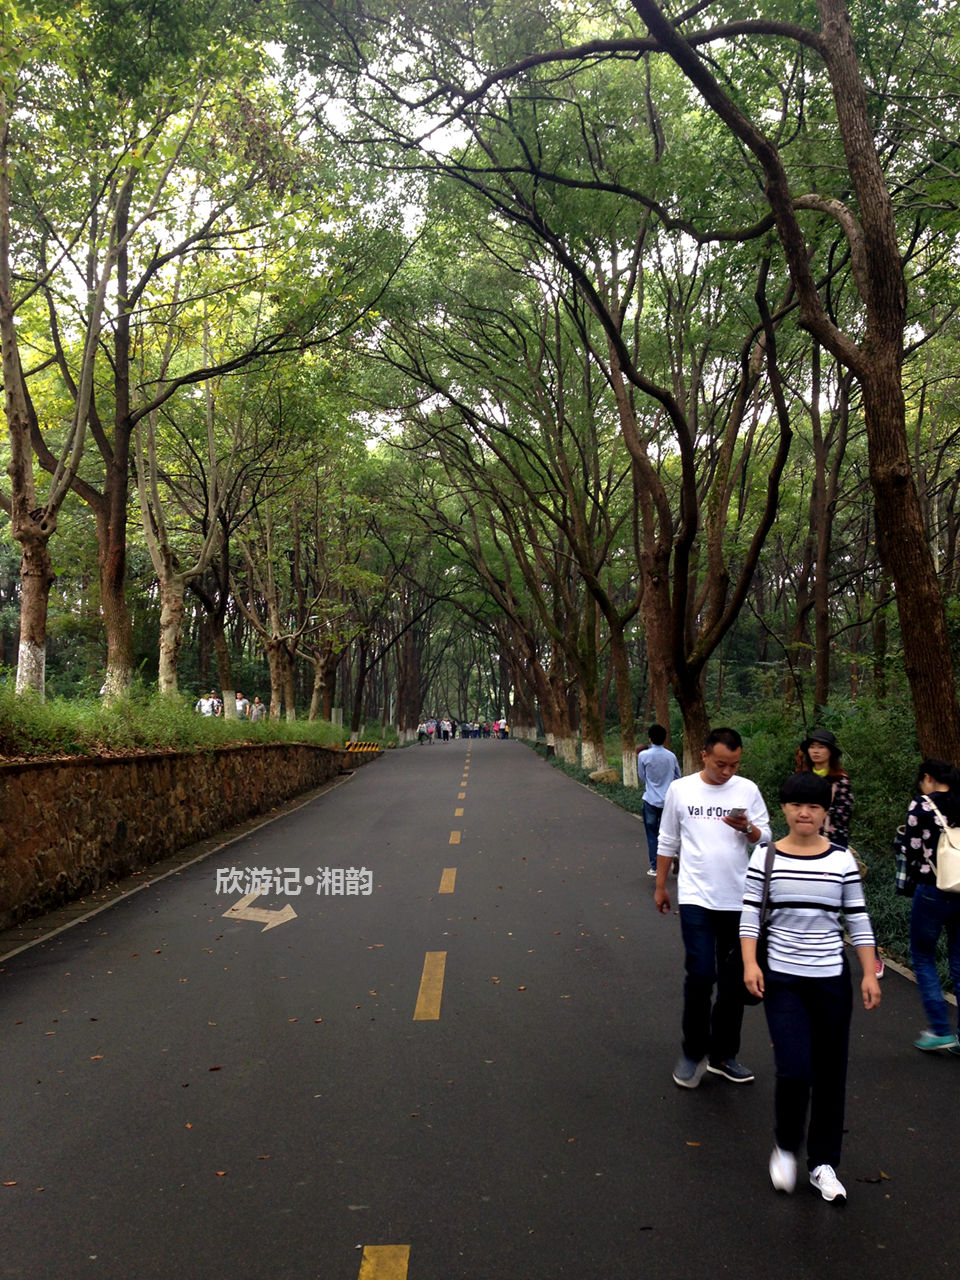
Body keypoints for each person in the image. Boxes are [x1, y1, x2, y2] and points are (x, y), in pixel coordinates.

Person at [741, 772, 881, 1202]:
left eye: (815, 807)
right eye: (797, 805)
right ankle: (785, 1146)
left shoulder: (841, 859)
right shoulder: (765, 857)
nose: (805, 813)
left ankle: (823, 1163)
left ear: (825, 813)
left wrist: (869, 972)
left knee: (830, 1073)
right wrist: (749, 963)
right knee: (795, 1069)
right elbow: (748, 916)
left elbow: (855, 918)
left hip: (831, 982)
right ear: (783, 808)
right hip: (783, 980)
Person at [655, 727, 771, 1089]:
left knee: (733, 983)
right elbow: (668, 837)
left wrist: (748, 828)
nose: (728, 772)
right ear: (703, 755)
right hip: (696, 897)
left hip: (739, 899)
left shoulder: (747, 790)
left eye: (734, 765)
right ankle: (693, 1053)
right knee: (702, 975)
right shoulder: (681, 789)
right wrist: (660, 885)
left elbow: (766, 839)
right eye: (721, 764)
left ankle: (723, 1056)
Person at [796, 729, 873, 972]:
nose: (816, 751)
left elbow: (843, 815)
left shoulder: (841, 779)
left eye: (822, 746)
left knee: (837, 897)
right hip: (802, 844)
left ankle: (866, 954)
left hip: (832, 845)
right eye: (812, 746)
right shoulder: (801, 776)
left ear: (831, 752)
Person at [897, 758, 960, 1053]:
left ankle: (940, 1029)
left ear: (928, 778)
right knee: (959, 961)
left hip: (933, 889)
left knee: (923, 956)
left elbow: (910, 852)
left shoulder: (921, 806)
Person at [638, 724, 681, 878]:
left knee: (652, 834)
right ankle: (675, 854)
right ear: (665, 738)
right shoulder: (671, 756)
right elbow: (677, 777)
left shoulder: (643, 756)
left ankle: (655, 867)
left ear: (650, 738)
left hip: (650, 800)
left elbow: (642, 776)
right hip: (669, 801)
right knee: (669, 832)